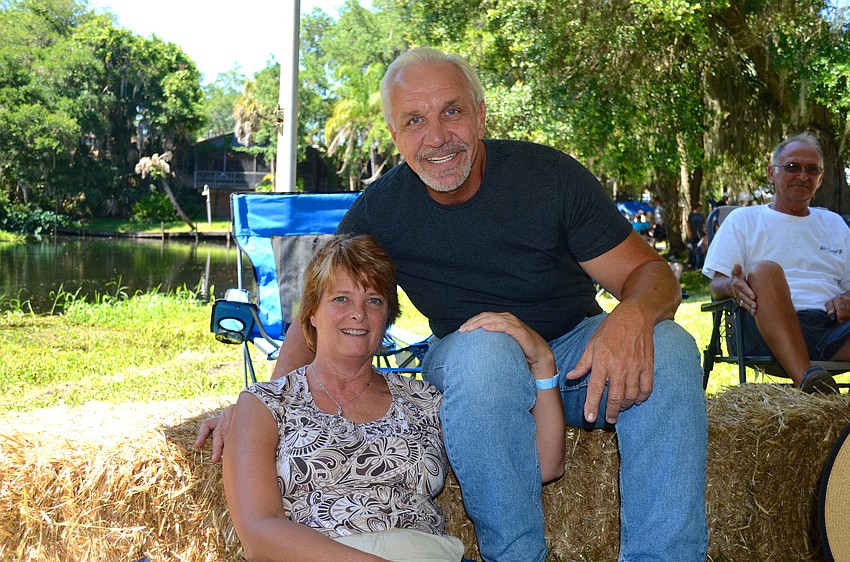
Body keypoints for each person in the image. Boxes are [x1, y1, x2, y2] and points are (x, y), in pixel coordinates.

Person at [201, 47, 707, 561]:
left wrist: (633, 316)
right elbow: (323, 310)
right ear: (395, 136)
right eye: (414, 121)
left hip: (581, 362)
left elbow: (652, 276)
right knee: (484, 351)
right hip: (473, 362)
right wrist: (264, 405)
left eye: (452, 111)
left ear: (481, 114)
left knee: (667, 345)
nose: (437, 137)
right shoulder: (381, 210)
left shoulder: (548, 178)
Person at [221, 234, 566, 561]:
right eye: (341, 298)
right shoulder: (266, 403)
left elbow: (543, 464)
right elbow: (258, 534)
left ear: (387, 317)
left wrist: (543, 363)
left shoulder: (425, 400)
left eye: (374, 300)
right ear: (311, 313)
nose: (358, 313)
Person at [702, 132, 850, 394]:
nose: (803, 176)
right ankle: (809, 383)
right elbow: (717, 284)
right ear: (772, 173)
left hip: (831, 332)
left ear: (821, 178)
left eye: (812, 169)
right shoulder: (744, 219)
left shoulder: (835, 224)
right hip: (762, 331)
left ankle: (813, 381)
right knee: (764, 270)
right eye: (792, 167)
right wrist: (734, 285)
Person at [688, 202, 706, 269]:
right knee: (692, 248)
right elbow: (688, 224)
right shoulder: (691, 215)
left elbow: (703, 224)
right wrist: (689, 232)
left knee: (699, 248)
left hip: (700, 234)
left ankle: (698, 264)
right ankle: (691, 262)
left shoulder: (701, 215)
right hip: (693, 233)